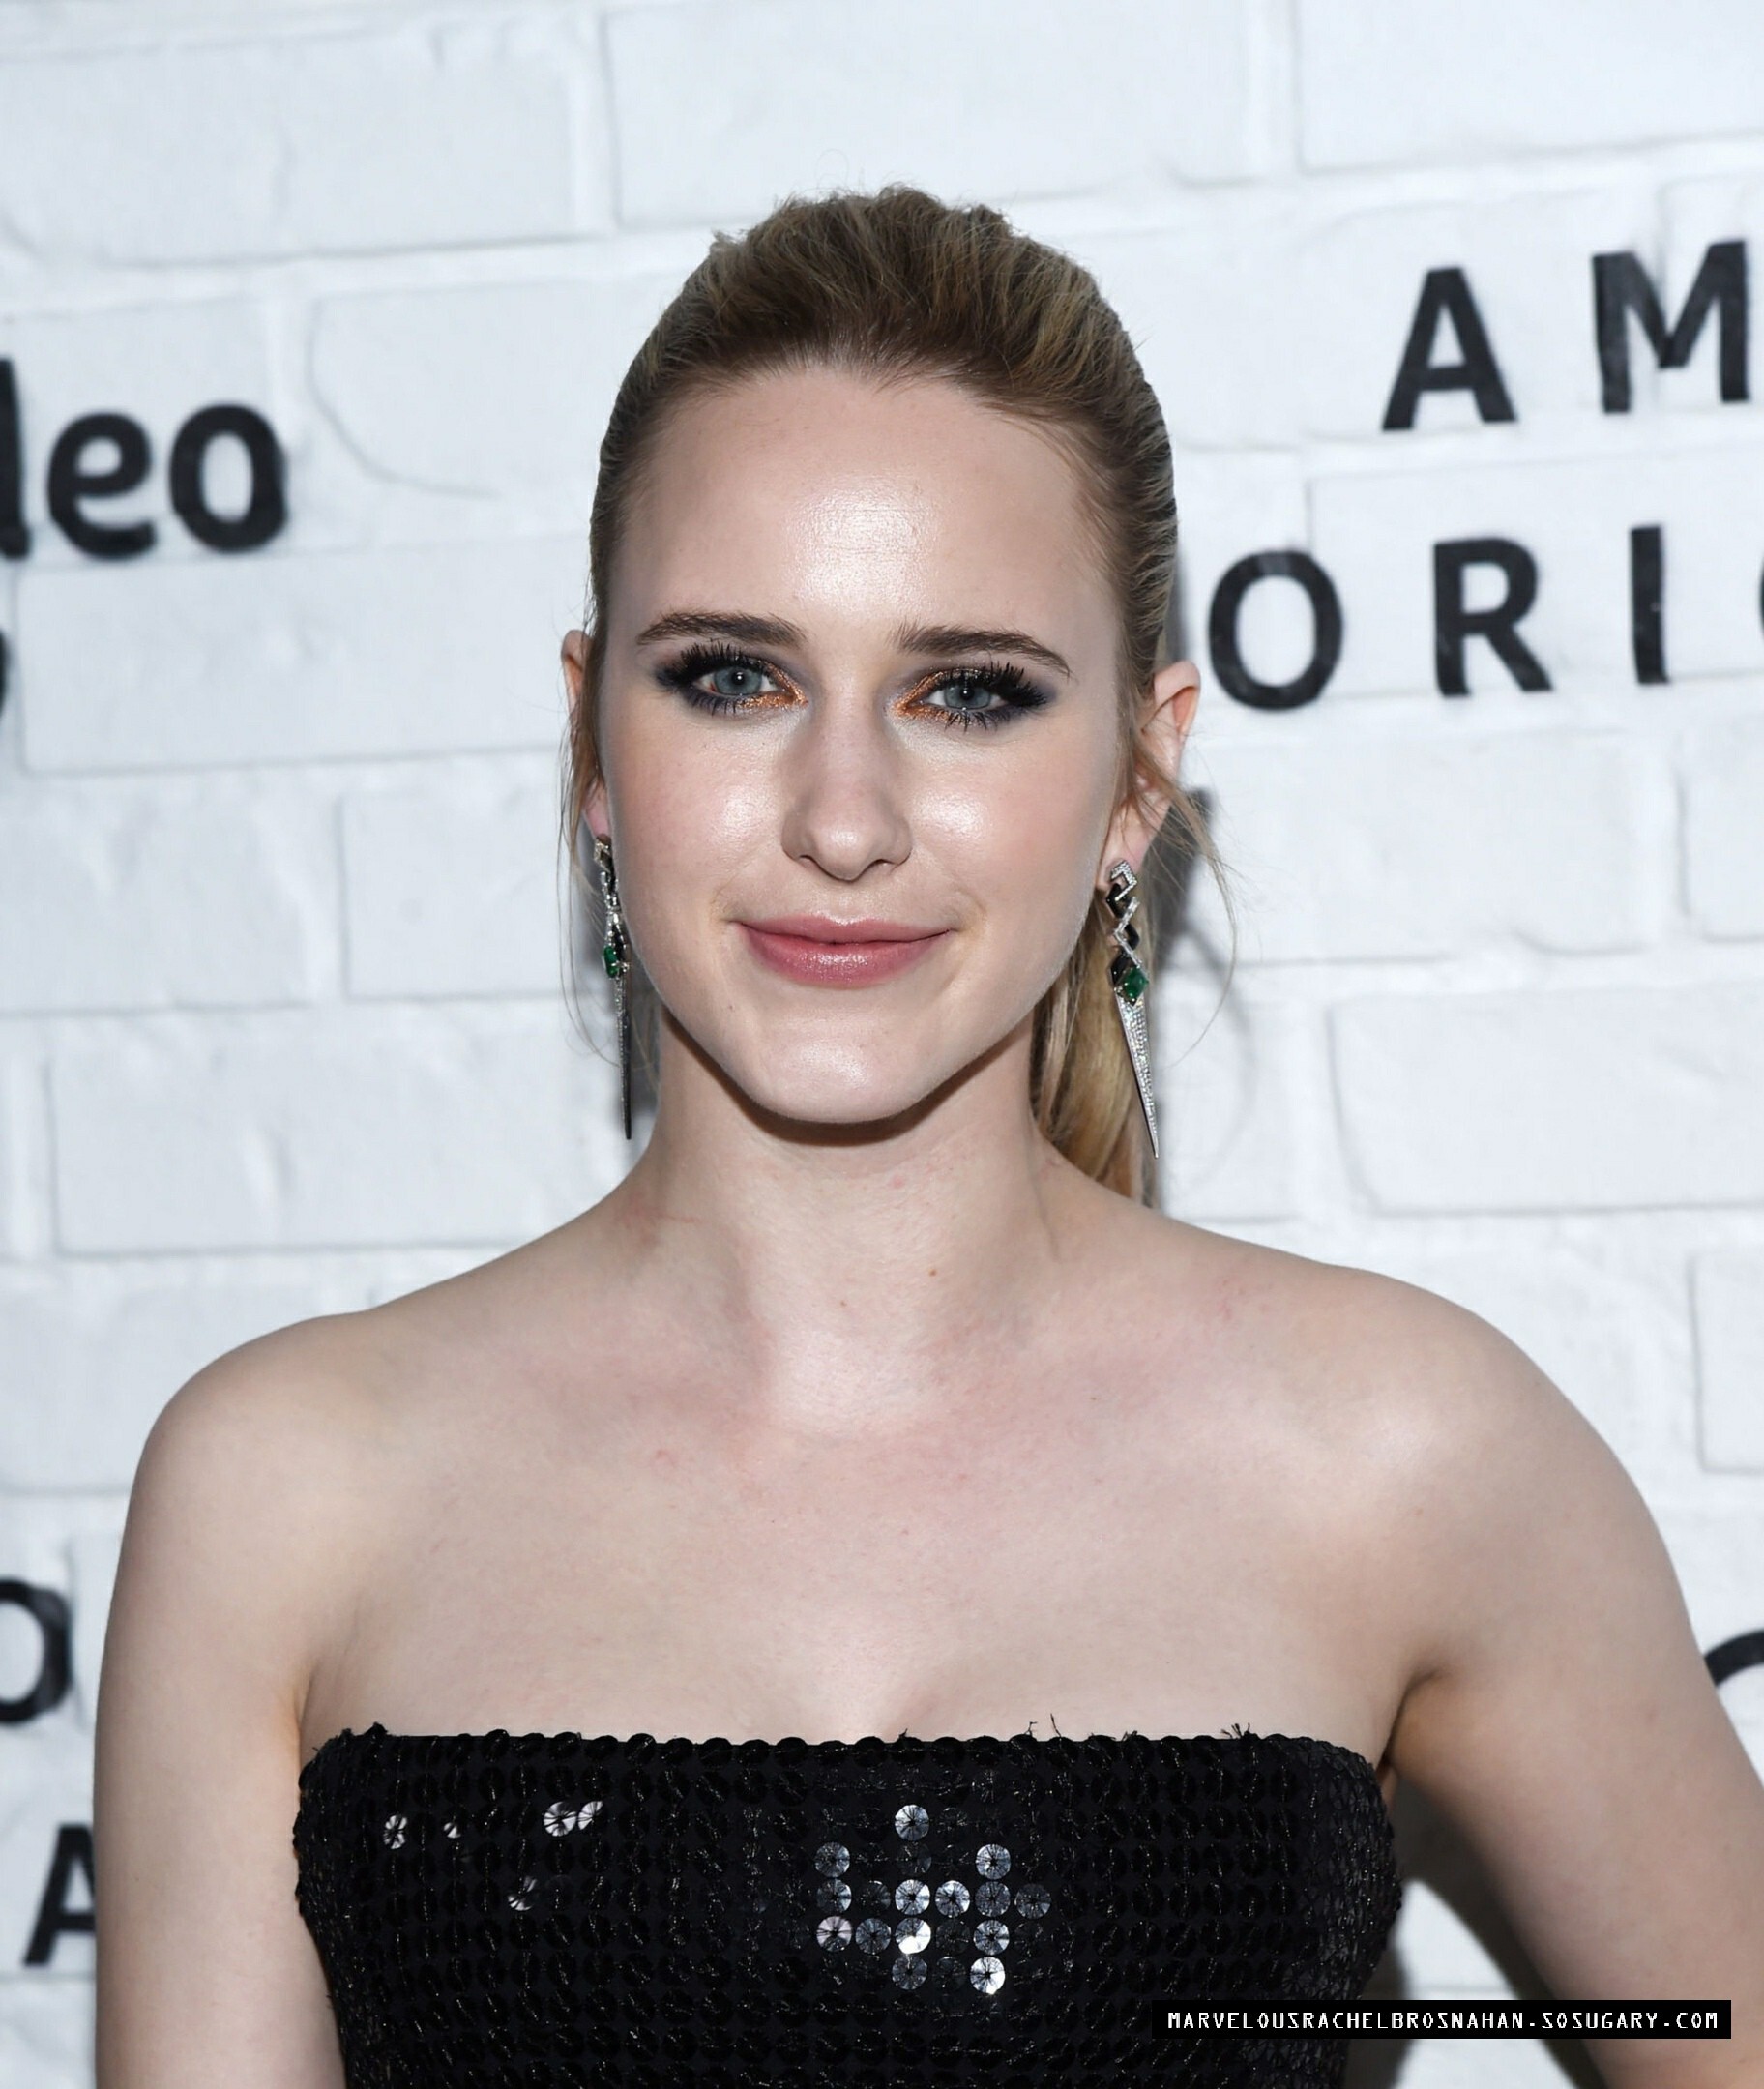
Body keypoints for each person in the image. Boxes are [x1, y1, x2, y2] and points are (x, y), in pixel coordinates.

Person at [92, 186, 1764, 2088]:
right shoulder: (288, 1491)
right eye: (734, 677)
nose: (843, 816)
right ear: (592, 743)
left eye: (969, 695)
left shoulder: (1402, 1456)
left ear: (1139, 774)